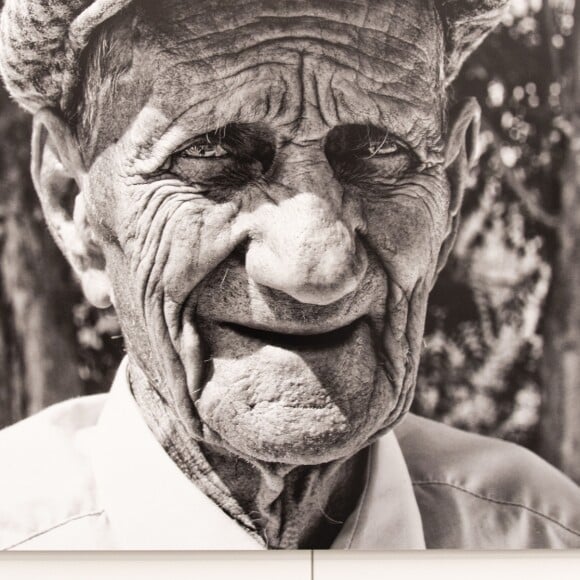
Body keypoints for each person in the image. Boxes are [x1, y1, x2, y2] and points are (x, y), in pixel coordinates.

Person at [0, 0, 579, 551]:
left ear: (450, 195)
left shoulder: (550, 543)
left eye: (380, 150)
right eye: (212, 152)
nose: (315, 269)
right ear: (74, 204)